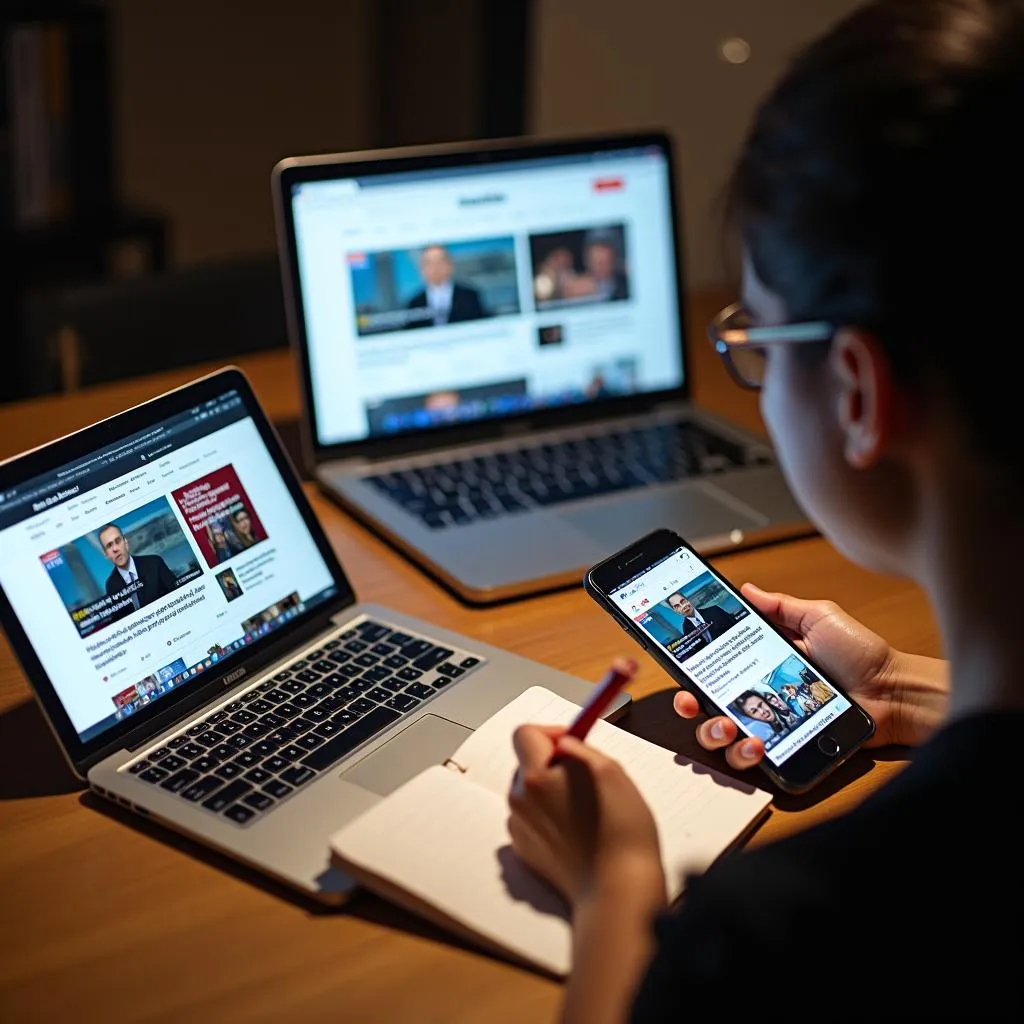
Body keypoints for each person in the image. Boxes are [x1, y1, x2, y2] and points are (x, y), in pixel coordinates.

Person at [505, 1, 1022, 1018]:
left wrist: (616, 883)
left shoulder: (791, 936)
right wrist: (898, 691)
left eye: (755, 340)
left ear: (858, 393)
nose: (742, 366)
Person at [99, 523, 177, 611]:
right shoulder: (111, 585)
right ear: (106, 554)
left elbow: (178, 595)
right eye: (109, 545)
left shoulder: (154, 563)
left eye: (118, 541)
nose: (115, 549)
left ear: (125, 542)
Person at [405, 244, 487, 327]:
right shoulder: (414, 304)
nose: (435, 268)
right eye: (429, 263)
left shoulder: (469, 297)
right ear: (422, 269)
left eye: (439, 261)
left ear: (450, 265)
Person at [664, 592, 735, 650]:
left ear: (688, 600)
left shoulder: (715, 610)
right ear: (676, 611)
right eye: (677, 606)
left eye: (683, 601)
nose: (683, 606)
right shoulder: (686, 631)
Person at [583, 233, 629, 302]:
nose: (600, 267)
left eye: (605, 262)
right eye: (596, 262)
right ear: (587, 262)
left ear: (613, 262)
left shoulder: (626, 287)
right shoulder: (577, 290)